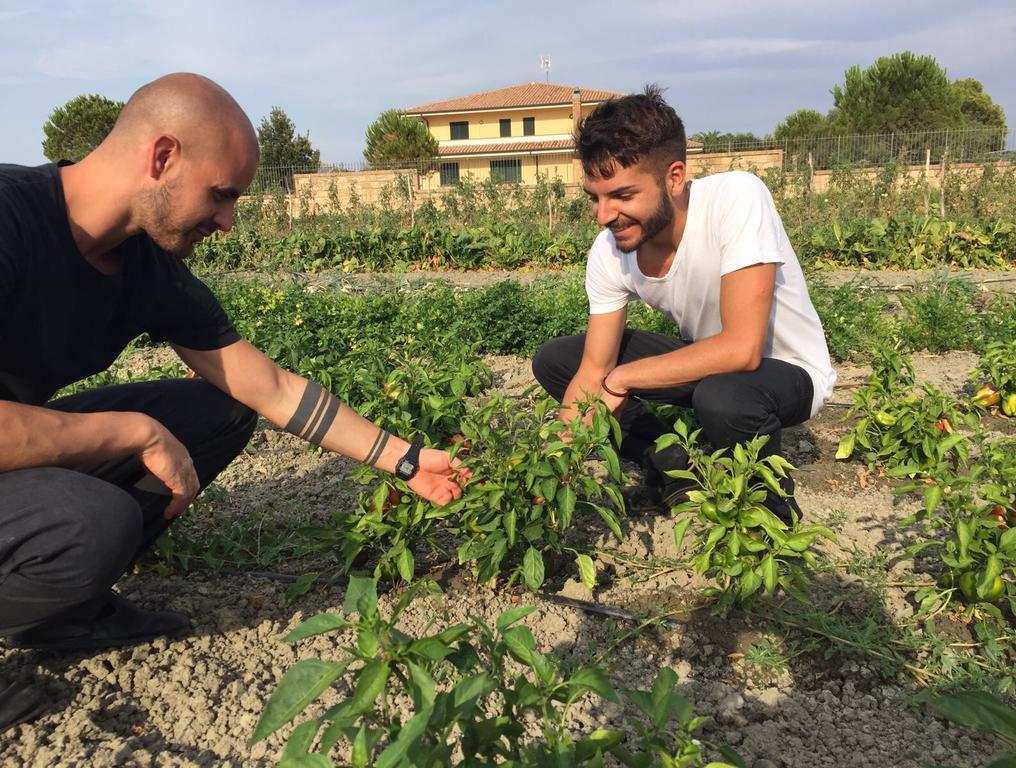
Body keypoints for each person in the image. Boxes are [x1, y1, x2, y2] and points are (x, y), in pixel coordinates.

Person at [0, 73, 468, 733]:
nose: (227, 221)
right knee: (92, 517)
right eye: (221, 195)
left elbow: (269, 387)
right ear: (162, 157)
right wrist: (132, 431)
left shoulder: (144, 266)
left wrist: (407, 461)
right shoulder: (10, 218)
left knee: (217, 414)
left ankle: (61, 604)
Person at [532, 85, 835, 521]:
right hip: (710, 368)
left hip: (786, 372)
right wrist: (551, 463)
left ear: (674, 178)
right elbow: (593, 369)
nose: (603, 215)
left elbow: (742, 350)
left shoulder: (736, 199)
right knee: (558, 360)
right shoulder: (610, 251)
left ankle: (769, 511)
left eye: (622, 195)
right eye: (595, 197)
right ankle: (675, 472)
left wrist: (621, 381)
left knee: (724, 395)